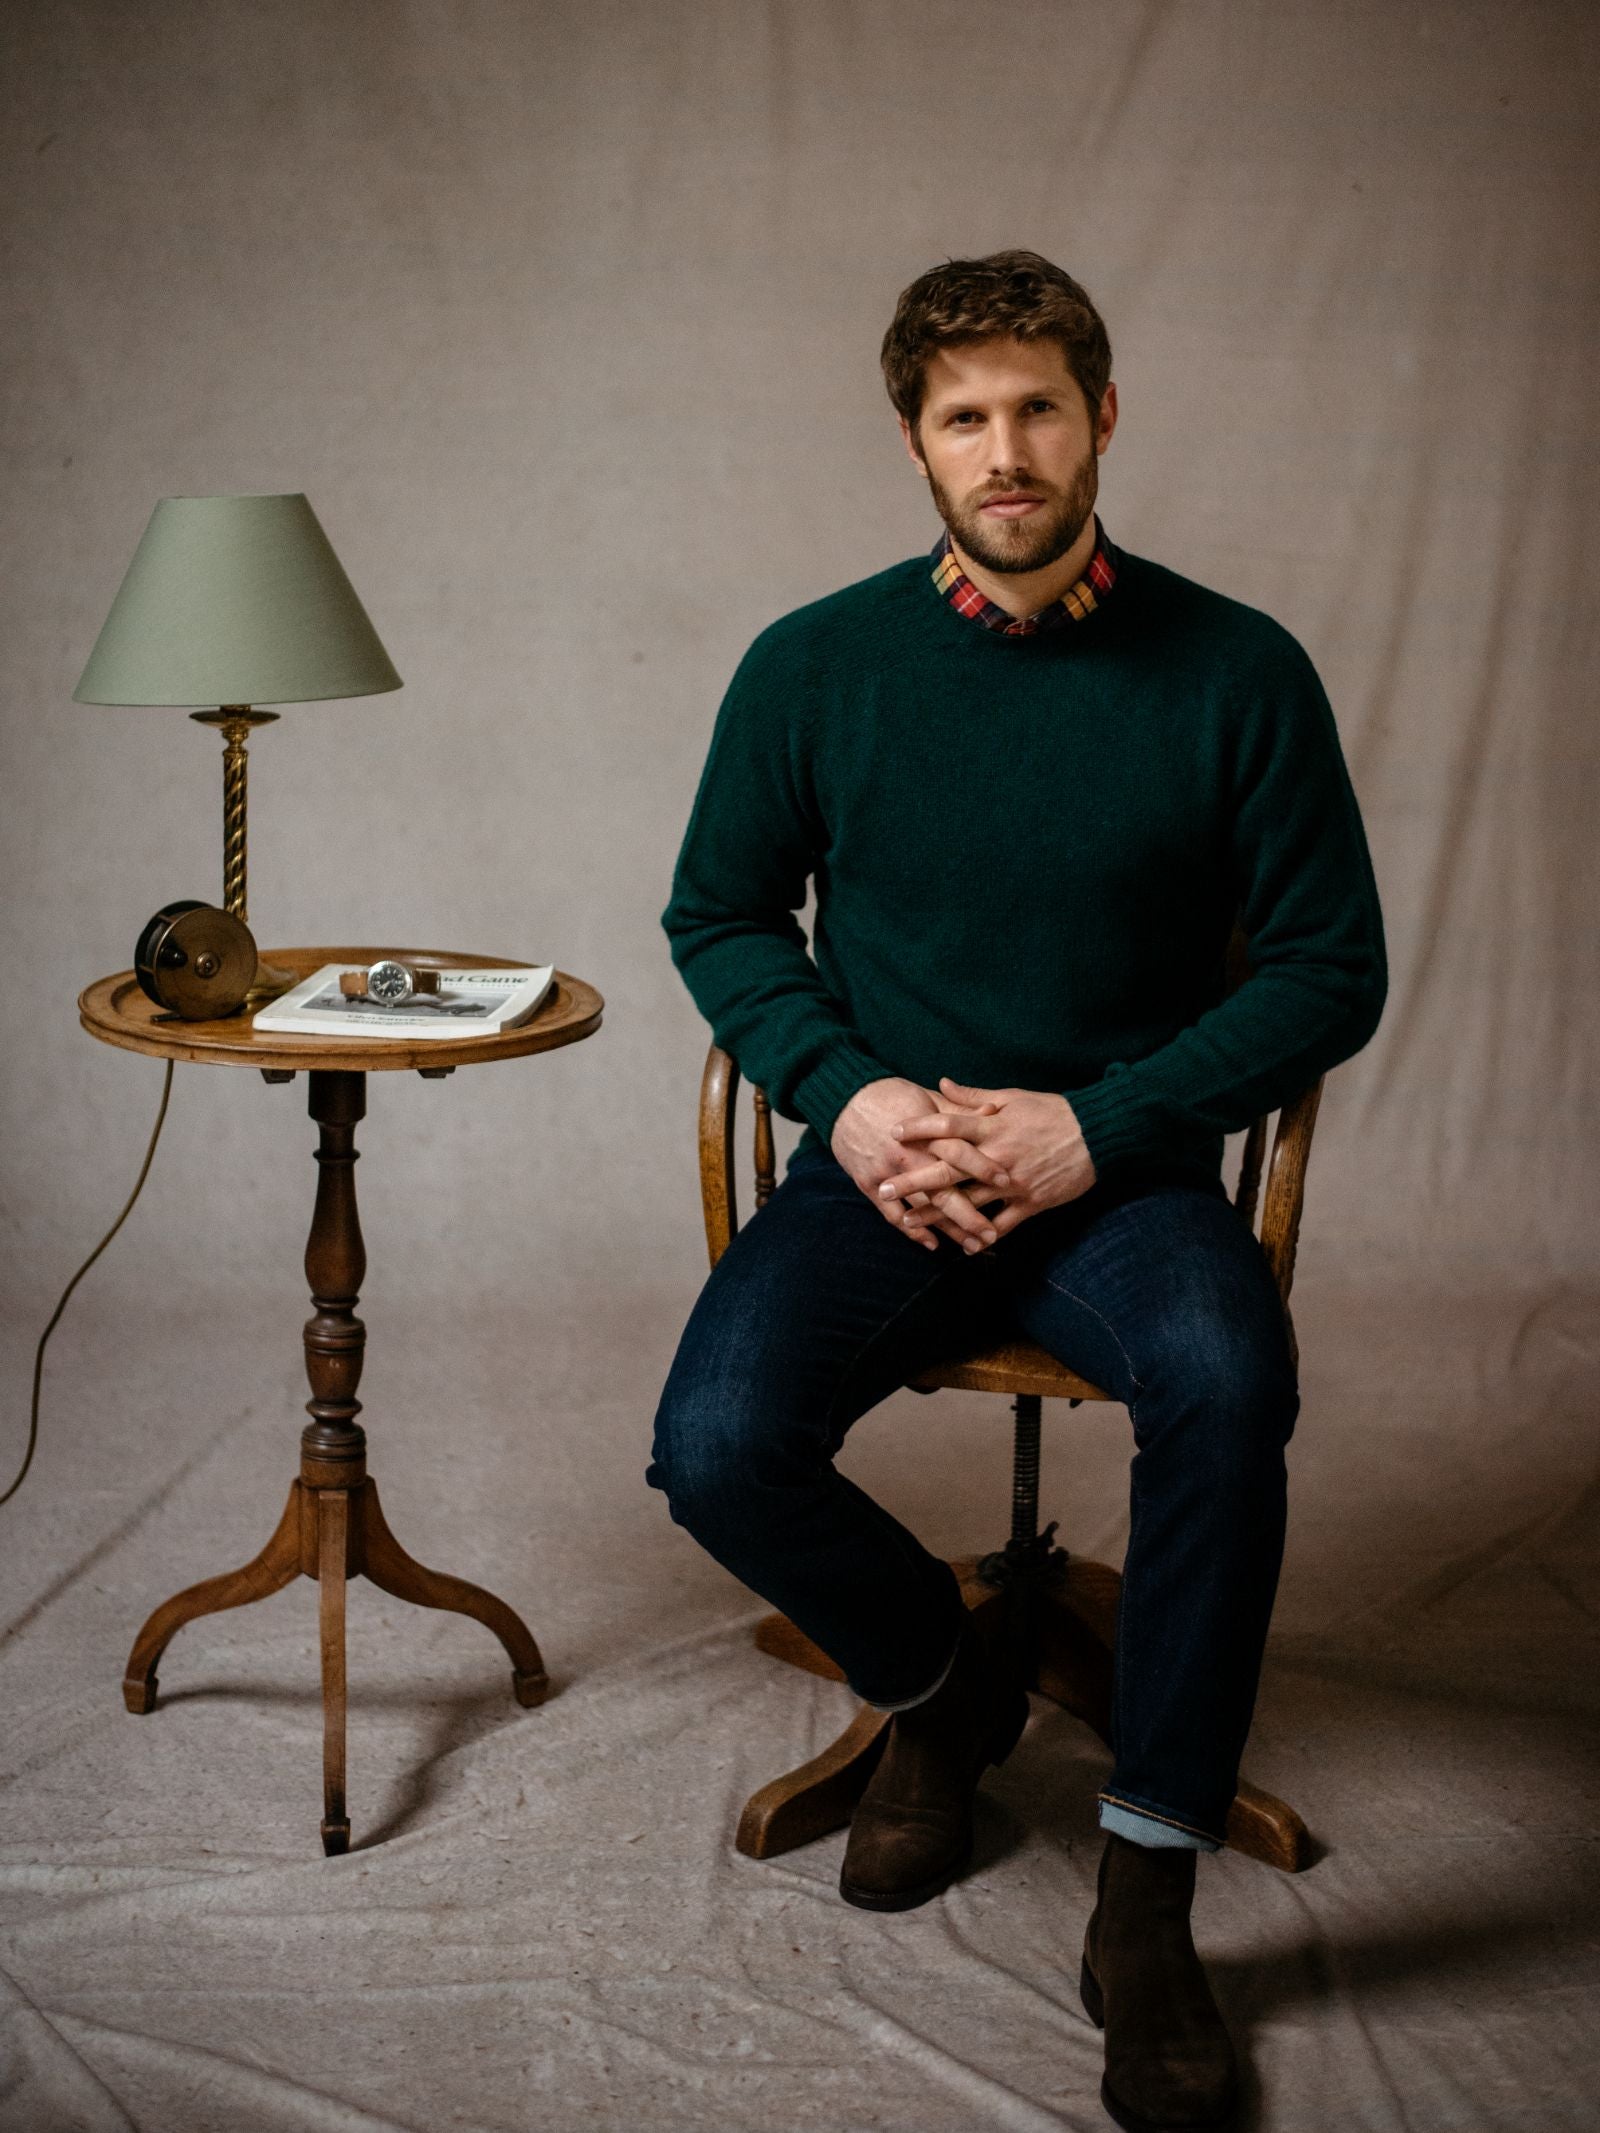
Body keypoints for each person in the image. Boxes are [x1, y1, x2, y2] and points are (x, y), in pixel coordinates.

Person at [647, 249, 1386, 2133]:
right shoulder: (812, 665)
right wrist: (851, 1099)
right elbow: (721, 914)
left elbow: (1331, 969)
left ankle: (1147, 1890)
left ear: (1103, 416)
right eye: (964, 416)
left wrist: (1099, 1124)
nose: (1006, 450)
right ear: (913, 440)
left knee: (1229, 1382)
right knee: (715, 1444)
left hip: (1121, 1179)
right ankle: (944, 1686)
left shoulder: (1239, 669)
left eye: (1039, 407)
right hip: (884, 1167)